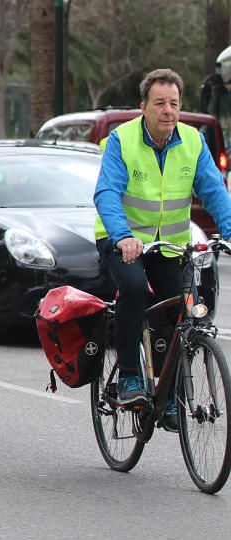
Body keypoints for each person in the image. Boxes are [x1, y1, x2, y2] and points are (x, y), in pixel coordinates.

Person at [94, 68, 231, 431]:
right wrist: (122, 236)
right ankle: (129, 378)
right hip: (121, 240)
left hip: (169, 246)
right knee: (135, 290)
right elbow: (107, 193)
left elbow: (214, 191)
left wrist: (230, 231)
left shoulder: (193, 142)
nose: (168, 110)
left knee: (180, 312)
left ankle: (170, 396)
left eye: (174, 103)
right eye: (160, 103)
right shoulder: (121, 140)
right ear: (143, 107)